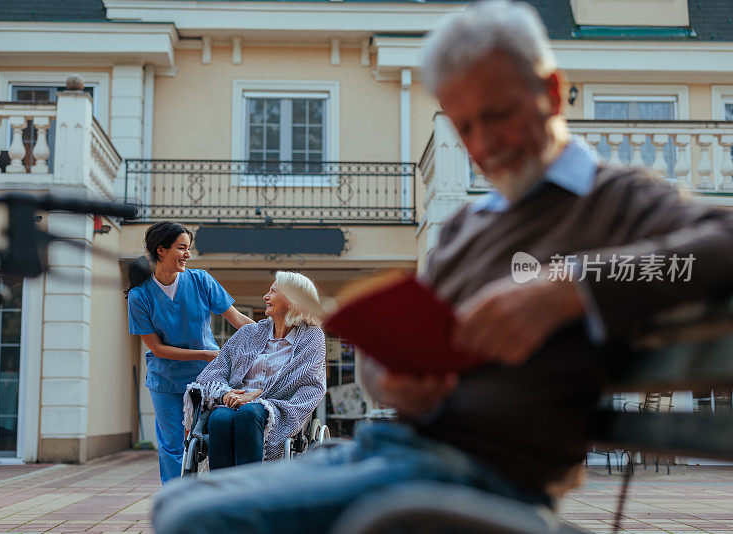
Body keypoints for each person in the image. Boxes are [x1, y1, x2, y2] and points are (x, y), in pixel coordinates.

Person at [152, 1, 733, 531]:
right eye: (464, 125)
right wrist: (390, 379)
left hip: (484, 474)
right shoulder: (465, 228)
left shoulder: (614, 201)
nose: (483, 143)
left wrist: (571, 287)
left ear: (551, 93)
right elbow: (389, 366)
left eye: (498, 114)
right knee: (175, 503)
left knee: (200, 520)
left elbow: (719, 245)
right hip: (393, 448)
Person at [126, 221, 254, 484]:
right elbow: (157, 349)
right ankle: (176, 499)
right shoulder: (140, 296)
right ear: (161, 251)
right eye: (181, 248)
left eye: (189, 248)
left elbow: (238, 319)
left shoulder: (200, 280)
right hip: (167, 381)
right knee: (172, 446)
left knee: (212, 436)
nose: (188, 254)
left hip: (207, 379)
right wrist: (205, 354)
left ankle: (214, 492)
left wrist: (272, 335)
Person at [184, 270, 326, 469]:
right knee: (219, 417)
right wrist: (225, 394)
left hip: (277, 408)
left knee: (250, 413)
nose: (266, 296)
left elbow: (305, 379)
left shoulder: (311, 336)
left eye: (273, 291)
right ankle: (222, 493)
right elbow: (214, 371)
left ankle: (250, 491)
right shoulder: (249, 333)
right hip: (235, 403)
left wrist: (256, 396)